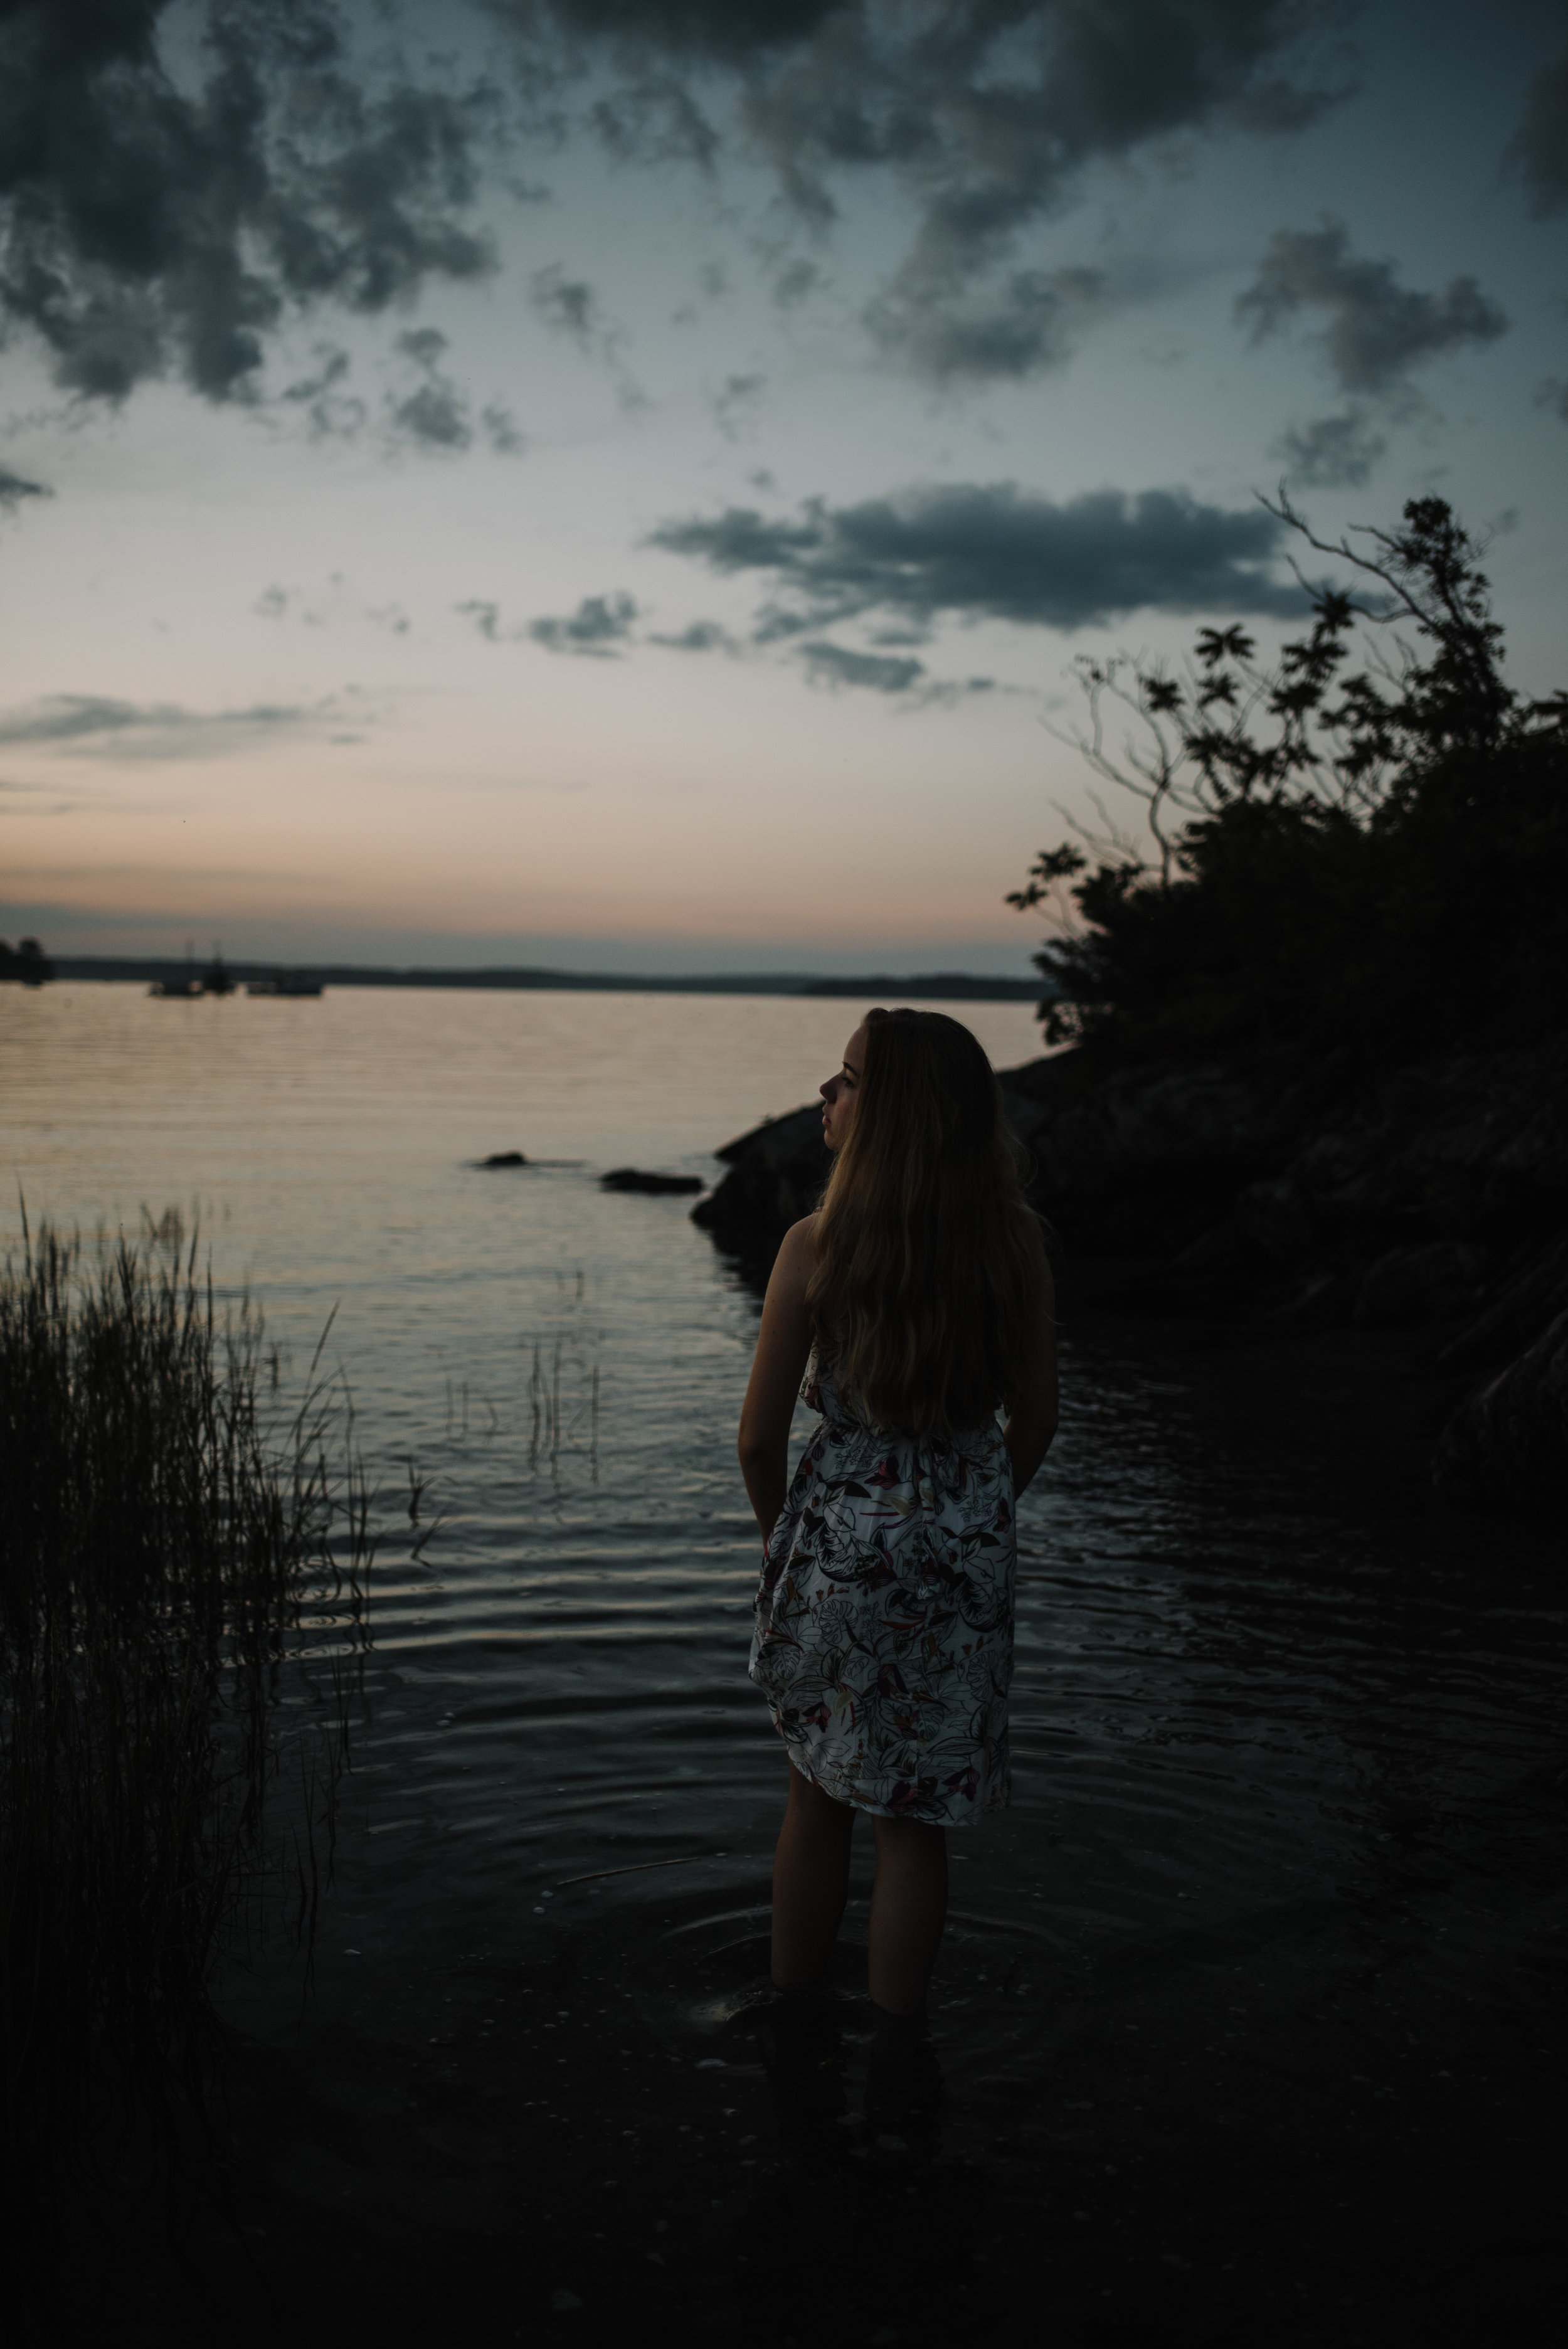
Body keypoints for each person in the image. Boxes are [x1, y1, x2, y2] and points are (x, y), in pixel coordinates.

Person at [737, 1007, 1058, 2047]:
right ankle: (899, 2045)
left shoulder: (813, 1245)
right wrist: (972, 1516)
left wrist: (788, 1537)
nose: (824, 1095)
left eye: (846, 1080)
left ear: (895, 1115)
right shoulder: (1013, 1246)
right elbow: (1039, 1418)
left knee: (815, 1795)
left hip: (837, 1544)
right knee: (915, 1826)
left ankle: (794, 2020)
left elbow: (757, 1437)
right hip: (963, 1553)